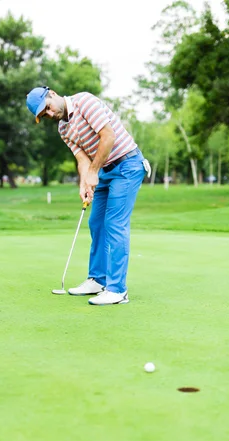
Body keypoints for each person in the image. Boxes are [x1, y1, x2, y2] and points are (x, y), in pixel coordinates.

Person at [26, 86, 151, 306]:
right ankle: (98, 280)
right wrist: (85, 182)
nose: (50, 114)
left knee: (114, 223)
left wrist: (94, 172)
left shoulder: (85, 102)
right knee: (96, 223)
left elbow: (108, 137)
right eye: (44, 115)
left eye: (47, 108)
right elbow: (83, 159)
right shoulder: (63, 129)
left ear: (52, 94)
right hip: (103, 169)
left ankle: (118, 290)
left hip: (127, 165)